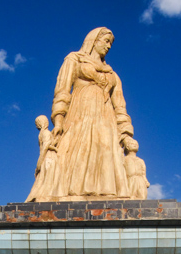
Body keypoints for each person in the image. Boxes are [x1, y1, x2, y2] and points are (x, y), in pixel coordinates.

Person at [26, 27, 142, 202]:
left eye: (111, 43)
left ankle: (105, 196)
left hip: (106, 121)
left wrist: (125, 135)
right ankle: (70, 195)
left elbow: (120, 107)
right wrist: (58, 122)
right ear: (94, 41)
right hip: (79, 116)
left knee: (105, 150)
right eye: (106, 41)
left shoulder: (113, 75)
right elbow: (62, 92)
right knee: (75, 153)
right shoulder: (74, 60)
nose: (109, 46)